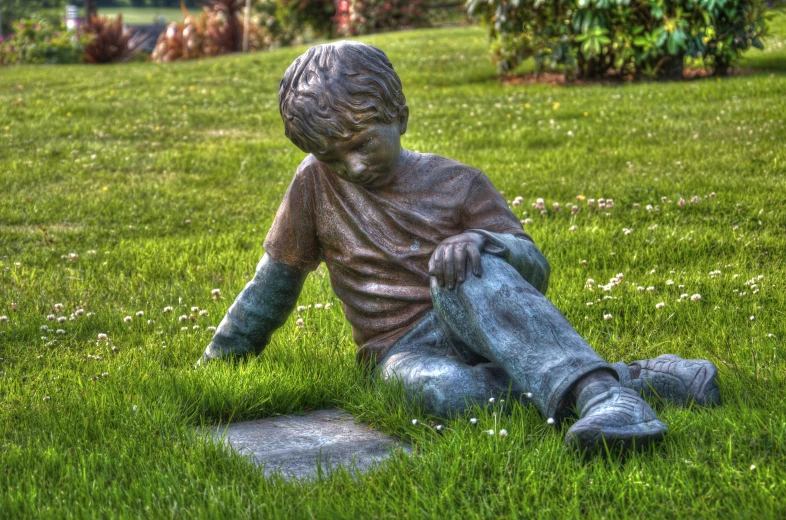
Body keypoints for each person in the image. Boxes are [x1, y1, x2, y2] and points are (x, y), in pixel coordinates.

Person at [196, 41, 720, 451]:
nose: (351, 167)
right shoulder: (313, 184)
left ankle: (608, 401)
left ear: (398, 115)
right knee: (446, 397)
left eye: (360, 145)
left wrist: (484, 243)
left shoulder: (459, 183)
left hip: (479, 319)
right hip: (401, 350)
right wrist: (222, 359)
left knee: (465, 270)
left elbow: (533, 271)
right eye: (333, 157)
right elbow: (274, 282)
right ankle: (635, 381)